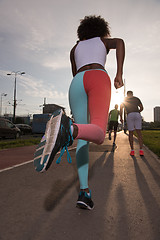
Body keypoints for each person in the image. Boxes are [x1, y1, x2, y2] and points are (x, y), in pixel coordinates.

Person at [34, 15, 125, 210]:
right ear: (101, 29)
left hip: (76, 83)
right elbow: (120, 42)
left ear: (81, 32)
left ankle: (84, 192)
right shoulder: (102, 40)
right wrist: (119, 73)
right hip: (98, 77)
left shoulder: (74, 49)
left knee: (84, 137)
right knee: (99, 133)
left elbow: (75, 72)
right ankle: (68, 128)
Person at [120, 90, 144, 156]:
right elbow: (142, 107)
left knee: (131, 132)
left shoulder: (124, 99)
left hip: (130, 115)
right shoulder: (136, 99)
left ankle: (132, 151)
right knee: (139, 132)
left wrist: (121, 118)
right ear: (132, 94)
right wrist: (138, 111)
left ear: (127, 95)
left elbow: (121, 109)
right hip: (137, 114)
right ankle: (141, 150)